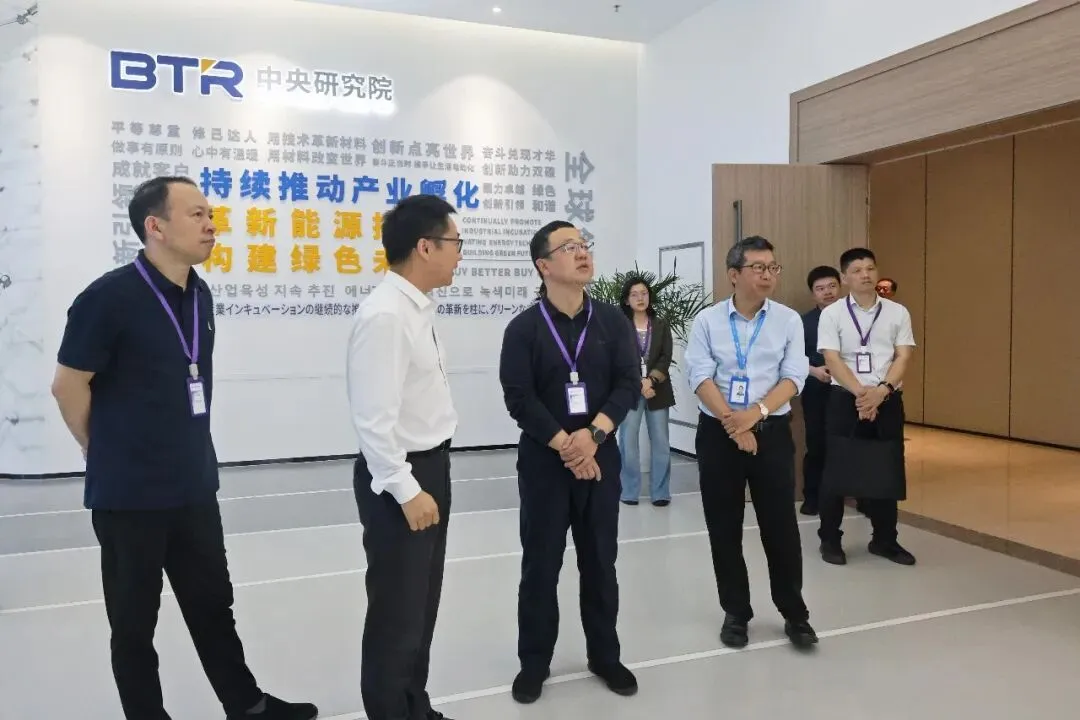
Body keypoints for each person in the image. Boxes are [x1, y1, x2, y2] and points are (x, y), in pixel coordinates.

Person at [50, 176, 318, 720]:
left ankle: (247, 706)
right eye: (196, 215)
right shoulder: (108, 298)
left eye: (210, 215)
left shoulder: (199, 294)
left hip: (193, 486)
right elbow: (67, 385)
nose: (211, 225)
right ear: (155, 226)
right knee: (134, 625)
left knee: (213, 605)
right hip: (129, 496)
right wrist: (100, 450)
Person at [498, 221, 640, 704]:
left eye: (584, 245)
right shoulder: (523, 329)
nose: (583, 253)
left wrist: (593, 436)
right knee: (541, 565)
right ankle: (534, 662)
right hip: (545, 463)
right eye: (569, 247)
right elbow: (519, 398)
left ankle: (605, 655)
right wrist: (567, 445)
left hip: (601, 457)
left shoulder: (612, 322)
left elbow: (628, 383)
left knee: (601, 561)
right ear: (544, 265)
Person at [345, 194, 462, 720]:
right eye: (455, 242)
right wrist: (406, 487)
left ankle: (417, 706)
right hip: (403, 479)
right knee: (397, 613)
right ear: (424, 247)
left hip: (430, 466)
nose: (460, 253)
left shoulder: (415, 308)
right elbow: (373, 419)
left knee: (422, 606)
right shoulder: (386, 315)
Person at [684, 235, 817, 650]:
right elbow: (699, 375)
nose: (767, 275)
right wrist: (734, 424)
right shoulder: (708, 321)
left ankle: (794, 613)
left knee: (781, 527)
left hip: (771, 432)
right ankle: (736, 612)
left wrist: (754, 415)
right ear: (734, 274)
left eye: (773, 267)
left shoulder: (788, 320)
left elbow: (794, 376)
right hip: (719, 434)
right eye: (758, 267)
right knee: (724, 528)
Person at [817, 248, 916, 567]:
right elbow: (832, 358)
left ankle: (885, 540)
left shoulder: (897, 312)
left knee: (887, 468)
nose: (865, 275)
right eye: (857, 270)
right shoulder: (832, 314)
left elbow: (903, 355)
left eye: (870, 268)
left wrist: (881, 392)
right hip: (846, 399)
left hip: (886, 399)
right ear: (844, 277)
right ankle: (830, 539)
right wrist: (862, 394)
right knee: (837, 470)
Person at [616, 275, 676, 507]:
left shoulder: (660, 324)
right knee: (628, 442)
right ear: (626, 299)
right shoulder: (620, 326)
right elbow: (619, 359)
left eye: (644, 293)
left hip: (657, 390)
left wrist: (650, 381)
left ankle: (660, 492)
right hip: (630, 391)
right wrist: (639, 383)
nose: (640, 298)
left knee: (661, 442)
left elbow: (665, 357)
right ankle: (629, 491)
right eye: (634, 294)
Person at [799, 265, 841, 516]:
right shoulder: (803, 322)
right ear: (813, 293)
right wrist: (815, 371)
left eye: (832, 286)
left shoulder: (854, 318)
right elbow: (793, 358)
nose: (827, 292)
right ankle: (812, 497)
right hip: (816, 389)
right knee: (817, 444)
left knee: (853, 444)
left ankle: (861, 496)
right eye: (820, 288)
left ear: (840, 287)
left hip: (850, 391)